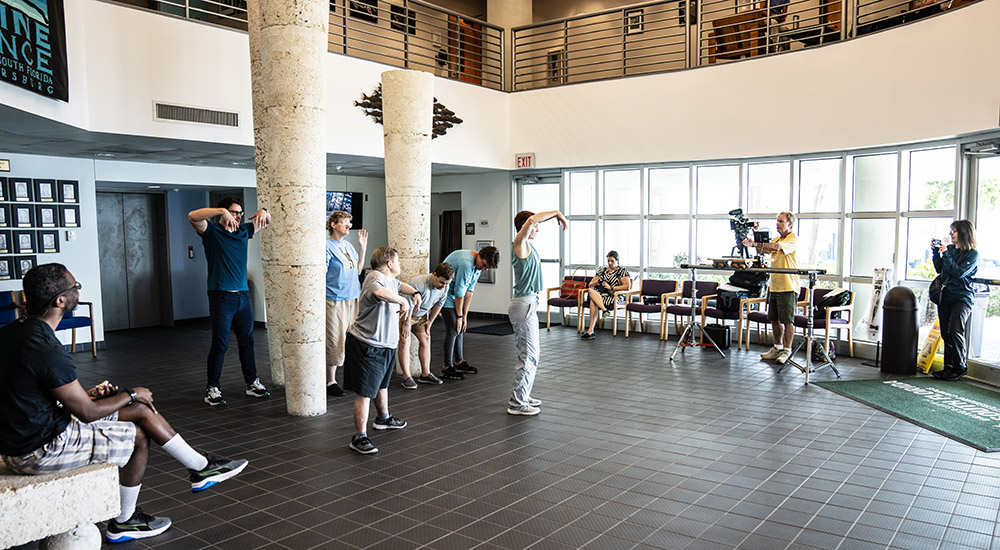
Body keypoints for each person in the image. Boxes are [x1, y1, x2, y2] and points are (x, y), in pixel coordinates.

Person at [0, 264, 248, 543]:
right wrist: (131, 393)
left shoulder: (14, 332)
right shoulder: (47, 348)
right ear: (60, 301)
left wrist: (92, 393)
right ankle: (124, 521)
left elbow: (35, 392)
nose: (78, 291)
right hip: (38, 449)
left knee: (140, 412)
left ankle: (201, 468)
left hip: (21, 434)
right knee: (138, 437)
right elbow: (87, 413)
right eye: (75, 287)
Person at [188, 197, 271, 406]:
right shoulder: (211, 232)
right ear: (224, 213)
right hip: (221, 296)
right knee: (220, 343)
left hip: (242, 296)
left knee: (247, 341)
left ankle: (252, 383)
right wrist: (220, 211)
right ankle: (212, 389)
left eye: (240, 213)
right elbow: (192, 216)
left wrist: (264, 210)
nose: (238, 216)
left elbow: (267, 220)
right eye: (234, 212)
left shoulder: (244, 231)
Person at [344, 247, 421, 454]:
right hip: (367, 343)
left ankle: (383, 418)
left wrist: (414, 292)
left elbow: (399, 285)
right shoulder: (374, 278)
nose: (400, 265)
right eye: (398, 261)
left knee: (382, 385)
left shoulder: (389, 280)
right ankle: (359, 437)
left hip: (385, 344)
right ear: (389, 264)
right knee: (365, 392)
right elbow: (380, 293)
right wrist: (402, 301)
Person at [508, 210, 567, 416]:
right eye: (535, 226)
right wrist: (557, 214)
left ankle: (523, 394)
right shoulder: (519, 244)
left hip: (530, 302)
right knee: (528, 355)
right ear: (525, 226)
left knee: (534, 354)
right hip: (523, 304)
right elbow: (532, 219)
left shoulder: (529, 247)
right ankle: (517, 402)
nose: (537, 229)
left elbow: (533, 221)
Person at [439, 246, 501, 380]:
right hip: (444, 295)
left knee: (460, 328)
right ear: (479, 255)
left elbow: (469, 291)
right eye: (484, 265)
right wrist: (459, 316)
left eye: (487, 268)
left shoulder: (477, 266)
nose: (484, 269)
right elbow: (459, 292)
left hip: (455, 295)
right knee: (453, 329)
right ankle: (446, 367)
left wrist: (465, 316)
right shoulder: (466, 263)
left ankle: (459, 362)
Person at [744, 211, 798, 365]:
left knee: (788, 320)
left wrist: (755, 243)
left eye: (781, 221)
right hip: (774, 286)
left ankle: (787, 350)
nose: (778, 224)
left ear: (790, 224)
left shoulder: (793, 239)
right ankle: (777, 347)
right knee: (774, 319)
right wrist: (754, 236)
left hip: (788, 286)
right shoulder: (775, 238)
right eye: (777, 221)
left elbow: (775, 247)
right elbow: (762, 249)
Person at [325, 210, 368, 397]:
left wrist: (362, 247)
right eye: (344, 223)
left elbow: (358, 270)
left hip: (353, 298)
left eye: (350, 223)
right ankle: (330, 381)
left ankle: (351, 376)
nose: (348, 226)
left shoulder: (349, 246)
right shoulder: (326, 245)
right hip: (334, 299)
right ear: (334, 224)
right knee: (335, 338)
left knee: (352, 338)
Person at [932, 220, 979, 381]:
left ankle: (960, 366)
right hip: (945, 296)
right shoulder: (950, 250)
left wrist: (946, 255)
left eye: (954, 231)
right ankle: (949, 367)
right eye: (951, 230)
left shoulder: (973, 254)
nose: (951, 234)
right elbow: (940, 269)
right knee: (945, 333)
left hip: (962, 297)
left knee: (955, 330)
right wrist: (936, 253)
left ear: (964, 233)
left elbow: (958, 273)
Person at [398, 262, 455, 389]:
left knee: (426, 339)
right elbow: (407, 306)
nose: (443, 286)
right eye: (441, 282)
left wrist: (430, 321)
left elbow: (439, 304)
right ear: (434, 275)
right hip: (405, 314)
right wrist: (406, 324)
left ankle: (425, 374)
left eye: (447, 283)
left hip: (421, 316)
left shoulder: (444, 287)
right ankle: (407, 377)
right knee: (404, 341)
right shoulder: (418, 284)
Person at [580, 251, 631, 339]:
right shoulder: (602, 270)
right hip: (600, 294)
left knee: (593, 300)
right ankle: (604, 310)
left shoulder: (622, 271)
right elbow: (590, 284)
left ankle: (590, 331)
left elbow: (627, 286)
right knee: (591, 291)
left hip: (614, 295)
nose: (610, 263)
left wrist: (611, 287)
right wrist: (597, 282)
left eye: (612, 261)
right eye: (608, 261)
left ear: (617, 260)